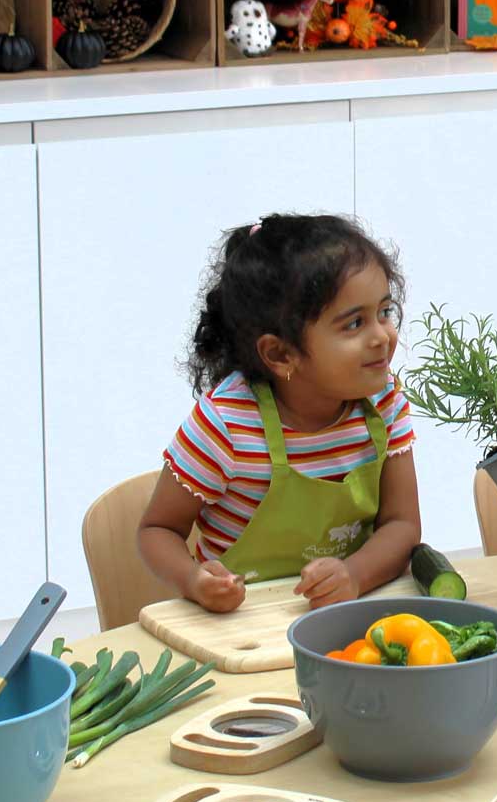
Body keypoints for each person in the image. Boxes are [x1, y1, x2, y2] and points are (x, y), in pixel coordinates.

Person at [137, 213, 420, 614]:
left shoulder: (384, 403)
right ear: (280, 354)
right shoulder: (226, 425)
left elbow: (402, 525)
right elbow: (157, 530)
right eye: (355, 323)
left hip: (350, 615)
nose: (382, 337)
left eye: (385, 312)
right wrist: (194, 580)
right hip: (241, 629)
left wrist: (354, 574)